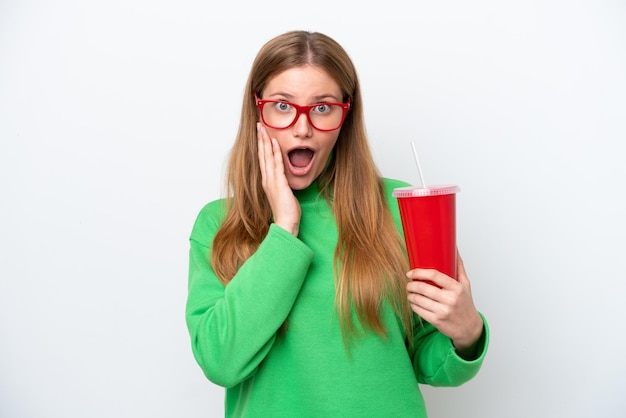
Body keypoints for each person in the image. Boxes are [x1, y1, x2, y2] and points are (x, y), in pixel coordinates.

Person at [185, 30, 489, 417]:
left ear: (346, 115)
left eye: (323, 108)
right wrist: (284, 227)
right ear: (257, 112)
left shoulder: (398, 209)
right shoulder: (218, 225)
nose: (302, 128)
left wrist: (466, 335)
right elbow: (220, 361)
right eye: (282, 105)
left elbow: (425, 359)